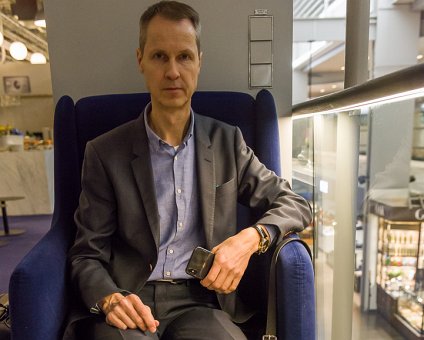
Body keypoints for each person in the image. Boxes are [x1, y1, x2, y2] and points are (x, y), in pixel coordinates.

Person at [65, 1, 312, 339]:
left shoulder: (228, 142)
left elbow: (296, 204)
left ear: (199, 61)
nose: (172, 72)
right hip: (130, 298)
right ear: (141, 60)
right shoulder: (105, 152)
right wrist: (109, 299)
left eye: (184, 56)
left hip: (204, 303)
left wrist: (249, 239)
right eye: (159, 56)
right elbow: (86, 255)